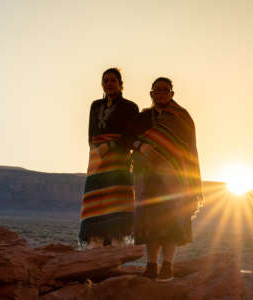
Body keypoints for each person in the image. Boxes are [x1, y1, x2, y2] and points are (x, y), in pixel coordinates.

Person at [124, 77, 203, 281]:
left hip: (175, 177)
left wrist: (193, 186)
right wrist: (142, 146)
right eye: (156, 90)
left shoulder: (182, 118)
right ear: (151, 94)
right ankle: (151, 266)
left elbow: (191, 151)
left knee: (172, 220)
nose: (160, 93)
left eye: (165, 90)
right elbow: (126, 138)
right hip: (147, 177)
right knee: (151, 220)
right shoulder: (143, 117)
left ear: (172, 93)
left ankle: (167, 266)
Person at [79, 68, 139, 249]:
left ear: (121, 84)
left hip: (119, 160)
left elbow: (132, 135)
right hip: (97, 160)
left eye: (113, 80)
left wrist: (110, 146)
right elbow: (91, 135)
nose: (109, 83)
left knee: (117, 200)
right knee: (96, 200)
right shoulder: (95, 106)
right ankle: (94, 244)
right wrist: (95, 152)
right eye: (105, 81)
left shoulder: (130, 107)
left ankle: (115, 246)